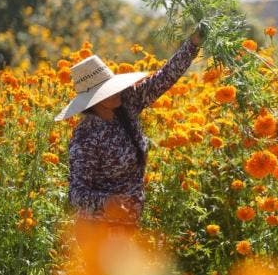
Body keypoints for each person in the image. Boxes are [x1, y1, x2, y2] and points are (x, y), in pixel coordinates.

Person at [55, 27, 203, 223]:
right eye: (106, 91)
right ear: (93, 100)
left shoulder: (127, 103)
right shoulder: (86, 136)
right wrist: (107, 202)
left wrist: (192, 44)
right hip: (99, 228)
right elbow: (76, 194)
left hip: (128, 223)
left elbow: (165, 77)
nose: (116, 91)